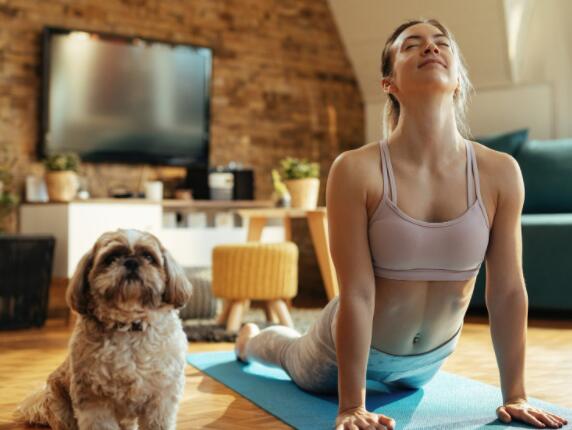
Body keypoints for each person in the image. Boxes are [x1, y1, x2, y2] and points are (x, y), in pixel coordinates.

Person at [234, 18, 569, 430]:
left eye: (441, 43)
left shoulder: (500, 172)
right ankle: (250, 339)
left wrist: (515, 394)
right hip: (347, 349)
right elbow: (355, 292)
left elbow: (508, 288)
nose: (430, 48)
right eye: (412, 45)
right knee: (288, 352)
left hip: (429, 361)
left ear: (459, 79)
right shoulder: (356, 169)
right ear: (388, 82)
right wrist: (351, 405)